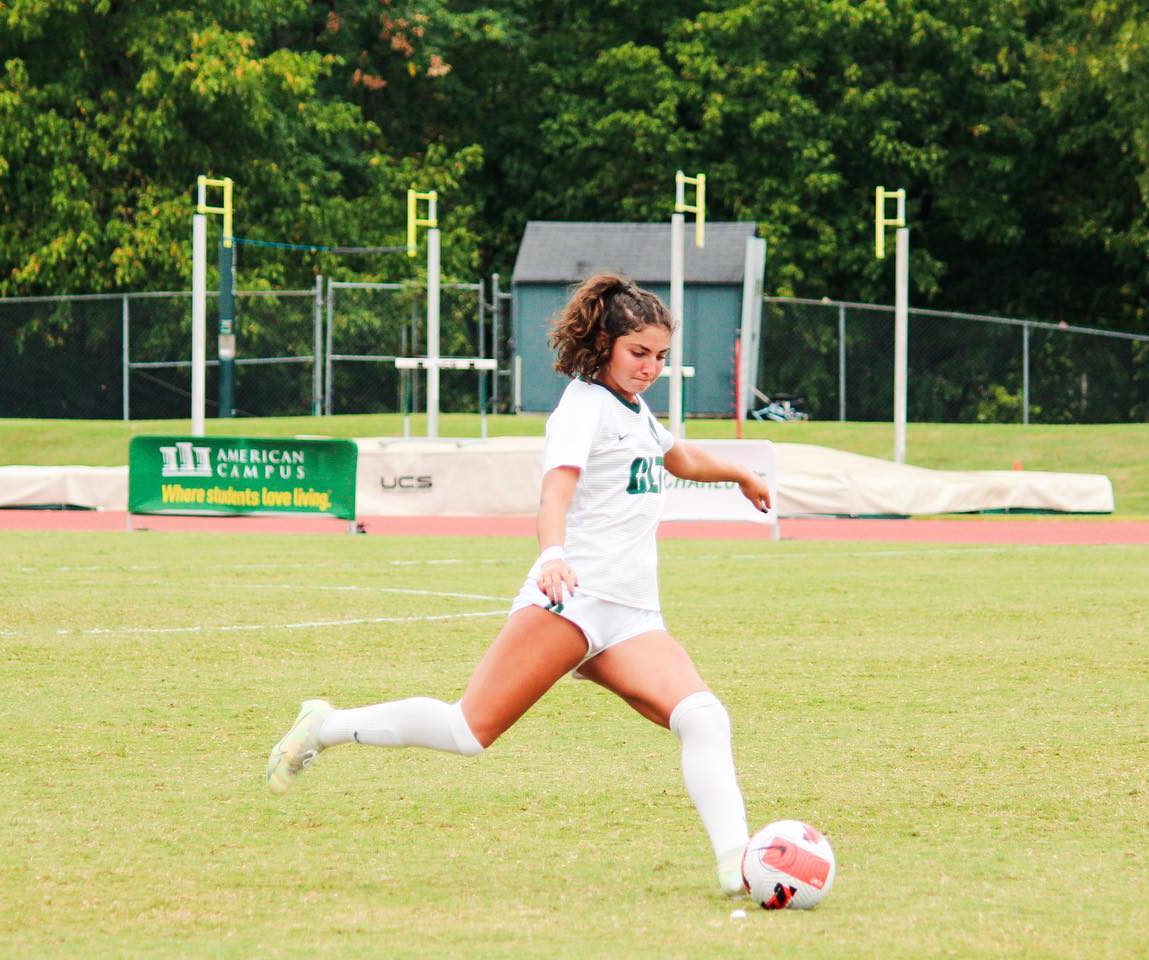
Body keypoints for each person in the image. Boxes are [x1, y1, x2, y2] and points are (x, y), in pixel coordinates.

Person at [266, 274, 772, 896]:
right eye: (639, 352)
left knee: (704, 718)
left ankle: (738, 866)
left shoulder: (634, 409)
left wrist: (741, 474)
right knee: (467, 732)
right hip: (571, 601)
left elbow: (679, 457)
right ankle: (324, 726)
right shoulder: (582, 407)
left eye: (661, 356)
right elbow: (555, 491)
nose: (651, 368)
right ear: (604, 344)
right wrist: (552, 554)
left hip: (633, 616)